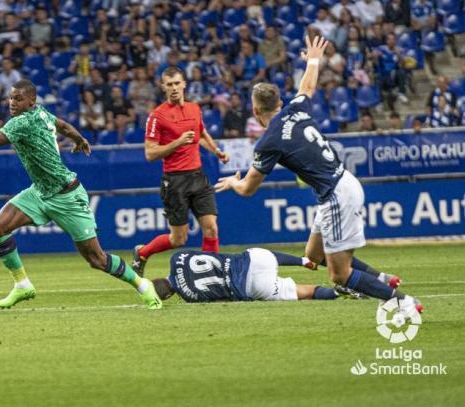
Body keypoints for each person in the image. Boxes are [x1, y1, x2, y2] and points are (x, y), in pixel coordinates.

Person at [214, 36, 422, 317]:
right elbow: (308, 84)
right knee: (312, 256)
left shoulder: (269, 140)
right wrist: (313, 59)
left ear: (254, 111)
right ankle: (382, 279)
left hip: (336, 194)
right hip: (340, 183)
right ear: (280, 101)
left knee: (339, 275)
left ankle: (402, 302)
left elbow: (248, 188)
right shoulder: (296, 108)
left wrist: (232, 182)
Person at [0, 79, 162, 310]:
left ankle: (143, 285)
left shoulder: (21, 122)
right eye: (10, 98)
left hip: (67, 196)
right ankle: (22, 285)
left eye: (18, 99)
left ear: (31, 102)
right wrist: (79, 138)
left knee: (97, 260)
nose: (12, 103)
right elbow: (63, 126)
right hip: (39, 192)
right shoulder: (42, 112)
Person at [132, 67, 230, 277]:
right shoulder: (157, 116)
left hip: (198, 176)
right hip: (175, 181)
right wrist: (176, 143)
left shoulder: (195, 109)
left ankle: (210, 276)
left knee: (211, 227)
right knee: (178, 239)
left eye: (177, 83)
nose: (174, 88)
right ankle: (142, 253)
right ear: (163, 87)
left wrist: (216, 151)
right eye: (169, 84)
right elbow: (150, 154)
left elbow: (201, 134)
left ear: (184, 84)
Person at [152, 249, 362, 303]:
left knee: (304, 292)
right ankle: (302, 260)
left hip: (253, 286)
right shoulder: (177, 257)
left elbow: (222, 298)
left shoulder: (189, 296)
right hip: (252, 259)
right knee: (263, 254)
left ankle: (337, 293)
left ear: (168, 295)